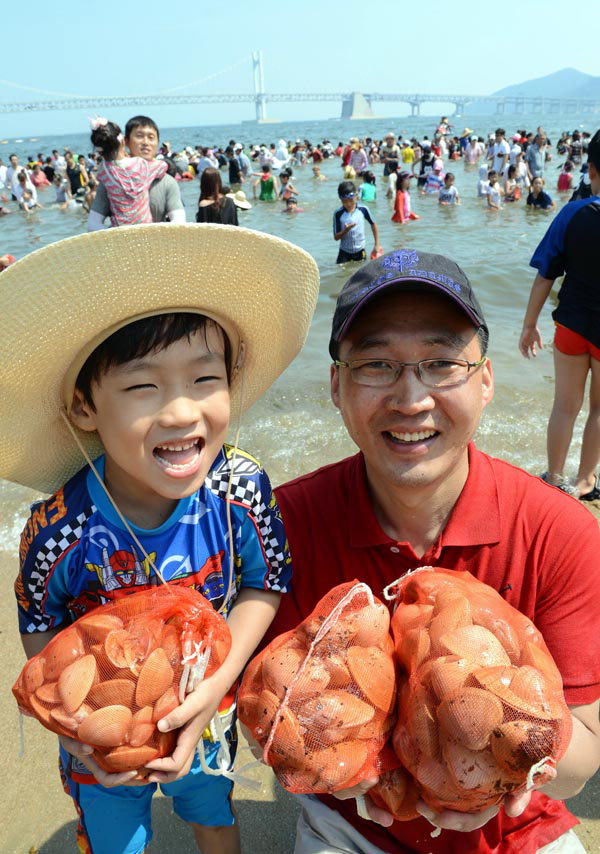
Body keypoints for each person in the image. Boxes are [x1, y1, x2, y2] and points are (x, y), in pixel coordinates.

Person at [257, 247, 600, 854]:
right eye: (377, 364)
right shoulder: (281, 525)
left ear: (487, 380)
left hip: (517, 828)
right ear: (336, 384)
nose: (411, 398)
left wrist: (508, 761)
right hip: (351, 825)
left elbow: (585, 758)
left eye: (442, 362)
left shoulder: (561, 532)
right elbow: (266, 713)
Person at [2, 223, 320, 854]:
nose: (180, 412)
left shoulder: (240, 490)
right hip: (104, 730)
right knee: (117, 835)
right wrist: (73, 723)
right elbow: (39, 619)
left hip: (209, 703)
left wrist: (213, 689)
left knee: (211, 813)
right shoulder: (61, 527)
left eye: (205, 380)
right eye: (143, 386)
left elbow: (266, 580)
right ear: (83, 408)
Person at [519, 129, 600, 499]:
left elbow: (545, 274)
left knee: (564, 406)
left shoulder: (572, 212)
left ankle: (554, 478)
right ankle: (585, 482)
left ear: (592, 170)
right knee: (599, 409)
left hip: (569, 324)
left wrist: (529, 324)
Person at [89, 116, 184, 230]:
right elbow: (93, 223)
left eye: (151, 137)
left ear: (157, 143)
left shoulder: (167, 182)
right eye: (139, 136)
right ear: (126, 141)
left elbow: (179, 220)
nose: (145, 142)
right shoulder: (108, 182)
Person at [333, 180, 381, 264]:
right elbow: (336, 237)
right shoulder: (338, 214)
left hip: (360, 251)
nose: (348, 204)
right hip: (344, 252)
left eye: (351, 200)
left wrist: (377, 244)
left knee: (361, 273)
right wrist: (346, 230)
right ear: (340, 199)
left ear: (356, 195)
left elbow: (373, 224)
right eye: (345, 201)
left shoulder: (363, 209)